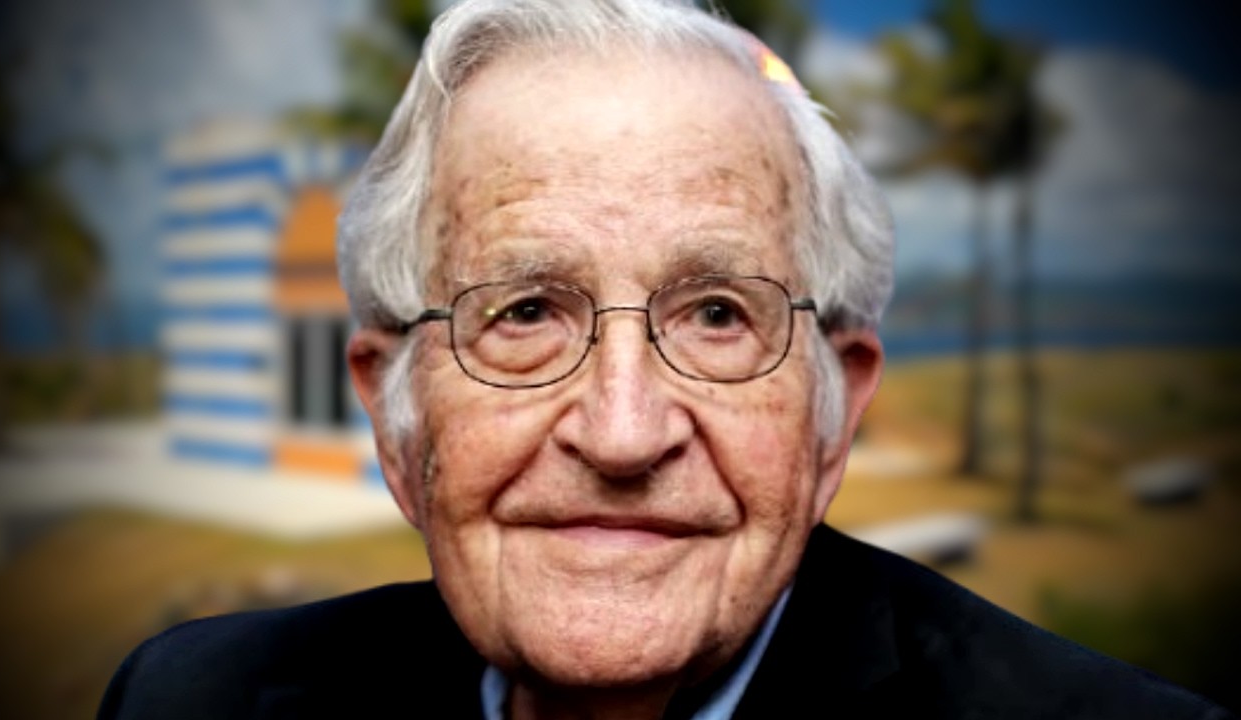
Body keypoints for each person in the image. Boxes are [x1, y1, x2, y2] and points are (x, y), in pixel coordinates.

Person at [98, 1, 1235, 718]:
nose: (623, 430)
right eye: (525, 311)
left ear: (835, 411)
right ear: (393, 417)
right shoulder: (189, 702)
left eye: (718, 317)